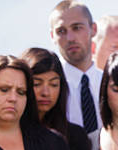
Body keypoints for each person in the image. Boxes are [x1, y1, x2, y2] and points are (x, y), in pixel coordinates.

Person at [50, 0, 102, 133]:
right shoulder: (47, 88)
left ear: (93, 29)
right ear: (52, 36)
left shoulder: (111, 83)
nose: (70, 38)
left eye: (77, 27)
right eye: (61, 31)